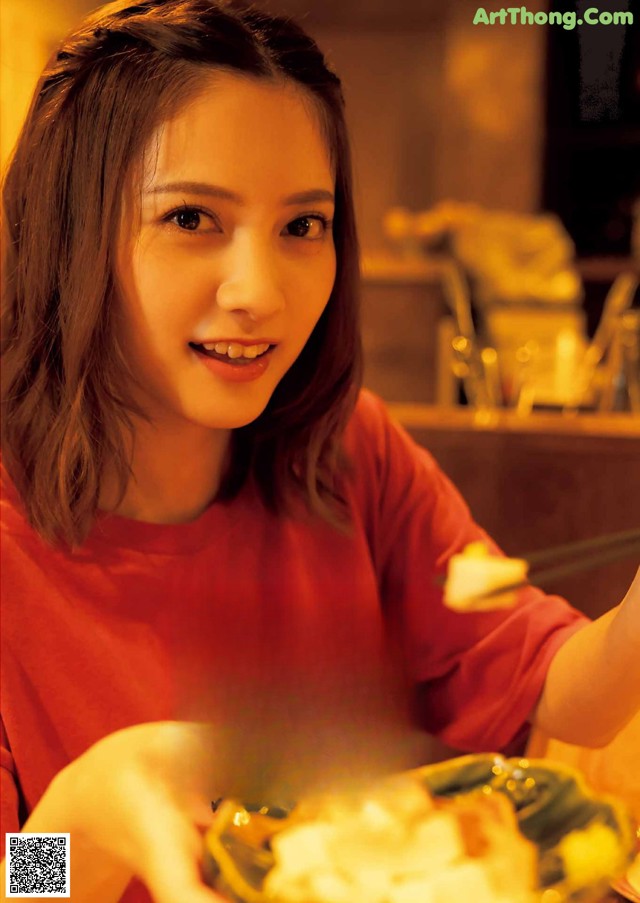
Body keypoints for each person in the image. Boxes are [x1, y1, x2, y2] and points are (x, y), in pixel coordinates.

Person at [1, 1, 638, 901]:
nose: (260, 291)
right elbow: (12, 878)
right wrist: (77, 823)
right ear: (68, 233)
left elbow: (558, 686)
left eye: (303, 225)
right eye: (191, 218)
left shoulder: (347, 452)